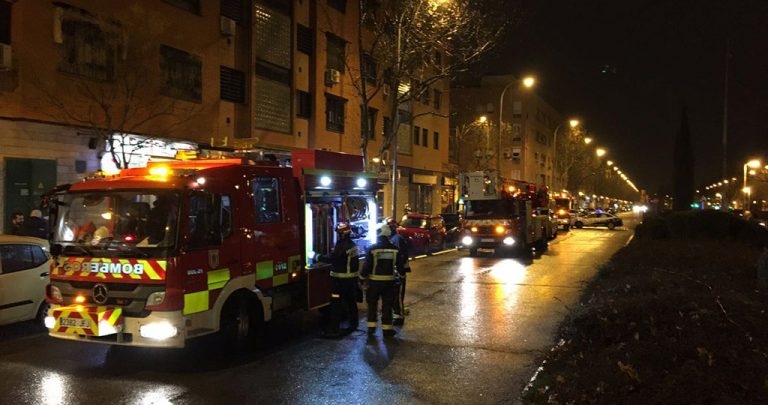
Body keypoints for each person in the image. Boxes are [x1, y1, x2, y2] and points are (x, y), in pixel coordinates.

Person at [316, 222, 360, 337]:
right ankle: (354, 324)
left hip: (340, 280)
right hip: (350, 280)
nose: (337, 235)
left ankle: (334, 329)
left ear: (342, 234)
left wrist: (316, 256)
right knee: (351, 302)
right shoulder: (352, 245)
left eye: (338, 233)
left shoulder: (342, 246)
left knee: (336, 304)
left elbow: (332, 258)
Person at [360, 223, 399, 337]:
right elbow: (400, 266)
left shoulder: (372, 249)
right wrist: (401, 276)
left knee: (372, 304)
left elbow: (367, 266)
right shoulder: (395, 249)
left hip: (374, 283)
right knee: (387, 305)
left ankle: (371, 328)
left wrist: (362, 278)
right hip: (389, 283)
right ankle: (387, 330)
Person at [386, 217, 411, 325]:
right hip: (396, 271)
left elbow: (400, 257)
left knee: (398, 295)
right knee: (394, 294)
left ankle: (399, 316)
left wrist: (400, 272)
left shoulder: (397, 239)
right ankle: (395, 312)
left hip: (398, 272)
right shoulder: (393, 238)